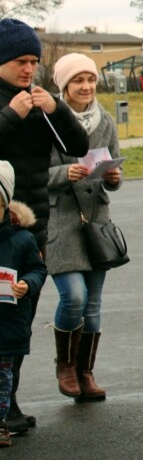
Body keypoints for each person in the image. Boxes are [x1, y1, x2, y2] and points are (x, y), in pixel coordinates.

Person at [0, 18, 88, 434]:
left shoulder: (40, 100)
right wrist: (9, 117)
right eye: (20, 60)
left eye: (34, 61)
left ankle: (8, 401)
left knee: (18, 319)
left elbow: (78, 148)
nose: (28, 69)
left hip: (31, 228)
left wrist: (59, 109)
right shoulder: (11, 106)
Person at [45, 53, 123, 402]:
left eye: (91, 79)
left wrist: (114, 177)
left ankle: (85, 372)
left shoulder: (105, 120)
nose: (87, 86)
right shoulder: (47, 121)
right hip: (61, 219)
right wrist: (65, 173)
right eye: (78, 80)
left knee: (93, 303)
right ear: (64, 85)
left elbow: (112, 171)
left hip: (96, 221)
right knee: (73, 296)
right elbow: (34, 175)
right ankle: (65, 366)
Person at [0, 161, 47, 448]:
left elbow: (38, 269)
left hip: (8, 324)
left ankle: (1, 422)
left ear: (6, 205)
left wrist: (27, 285)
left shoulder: (22, 239)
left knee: (3, 381)